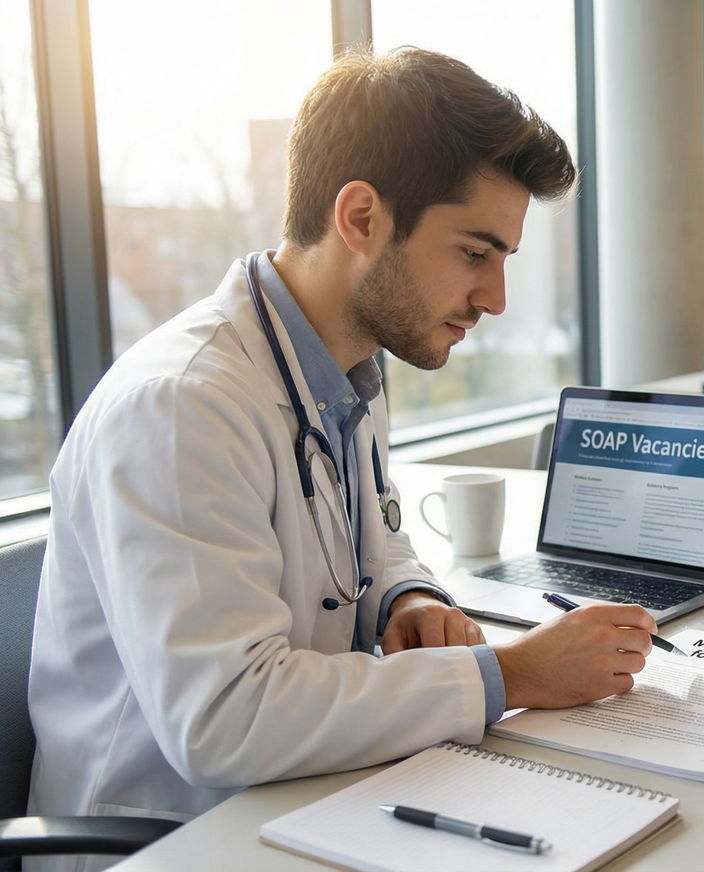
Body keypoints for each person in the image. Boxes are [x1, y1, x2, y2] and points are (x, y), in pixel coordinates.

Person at [28, 48, 660, 859]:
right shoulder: (184, 404)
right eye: (474, 252)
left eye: (505, 260)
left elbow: (378, 540)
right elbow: (226, 719)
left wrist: (406, 600)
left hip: (306, 794)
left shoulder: (347, 371)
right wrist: (513, 676)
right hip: (171, 835)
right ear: (360, 217)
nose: (494, 299)